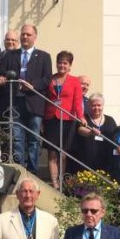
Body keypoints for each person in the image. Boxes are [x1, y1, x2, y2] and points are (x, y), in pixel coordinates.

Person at [0, 24, 52, 174]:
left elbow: (47, 79)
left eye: (28, 35)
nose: (25, 37)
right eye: (23, 34)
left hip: (34, 103)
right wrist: (0, 78)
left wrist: (32, 85)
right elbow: (1, 73)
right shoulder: (10, 55)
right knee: (17, 138)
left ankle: (33, 170)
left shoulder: (44, 56)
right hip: (15, 101)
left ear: (35, 37)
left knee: (34, 138)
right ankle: (19, 168)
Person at [44, 51, 85, 189]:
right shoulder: (50, 79)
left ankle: (61, 181)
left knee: (63, 153)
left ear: (70, 66)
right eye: (60, 62)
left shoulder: (74, 81)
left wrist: (81, 116)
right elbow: (45, 99)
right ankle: (54, 183)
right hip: (51, 118)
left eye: (65, 63)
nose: (62, 65)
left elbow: (77, 101)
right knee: (52, 152)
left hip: (67, 119)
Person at [74, 93, 117, 174]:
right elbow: (80, 129)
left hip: (105, 161)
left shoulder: (110, 120)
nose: (96, 108)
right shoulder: (84, 118)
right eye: (93, 105)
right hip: (86, 161)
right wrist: (90, 132)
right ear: (89, 106)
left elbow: (115, 136)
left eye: (99, 105)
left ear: (103, 105)